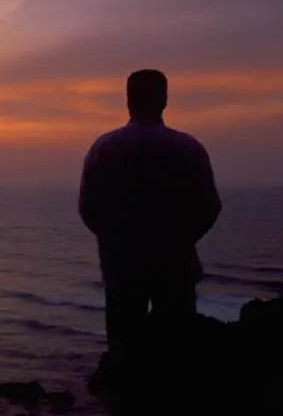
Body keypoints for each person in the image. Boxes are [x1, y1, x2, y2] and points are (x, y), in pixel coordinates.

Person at [78, 69, 222, 369]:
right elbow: (210, 208)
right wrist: (180, 240)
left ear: (128, 100)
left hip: (121, 269)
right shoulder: (188, 148)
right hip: (176, 267)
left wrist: (115, 238)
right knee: (175, 359)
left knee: (124, 358)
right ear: (165, 99)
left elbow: (87, 208)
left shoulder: (104, 148)